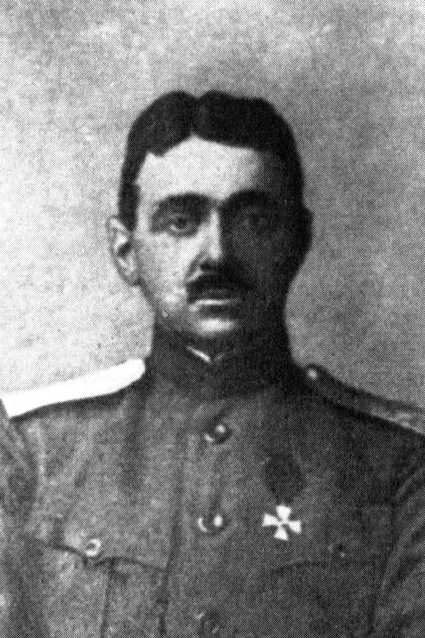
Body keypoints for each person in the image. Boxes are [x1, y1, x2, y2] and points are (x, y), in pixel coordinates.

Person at [1, 90, 425, 638]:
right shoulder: (32, 449)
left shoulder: (401, 463)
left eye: (254, 221)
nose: (218, 255)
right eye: (181, 221)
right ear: (126, 251)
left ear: (298, 241)